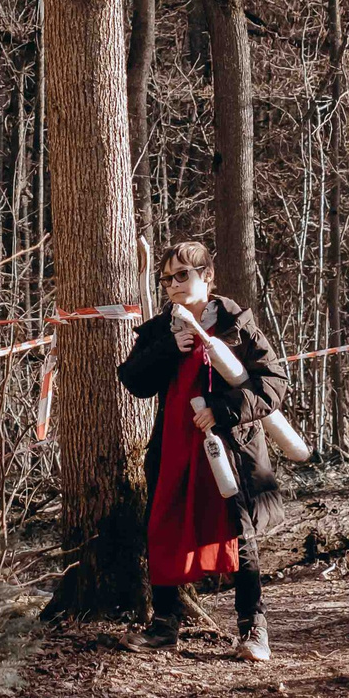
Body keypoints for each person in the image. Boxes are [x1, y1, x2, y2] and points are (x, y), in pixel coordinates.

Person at [118, 240, 292, 661]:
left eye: (183, 275)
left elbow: (273, 384)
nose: (174, 285)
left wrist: (222, 409)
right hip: (174, 447)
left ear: (207, 277)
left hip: (229, 449)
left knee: (239, 534)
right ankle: (164, 626)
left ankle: (254, 630)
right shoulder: (162, 329)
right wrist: (165, 350)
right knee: (163, 527)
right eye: (167, 279)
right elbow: (134, 381)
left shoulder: (236, 324)